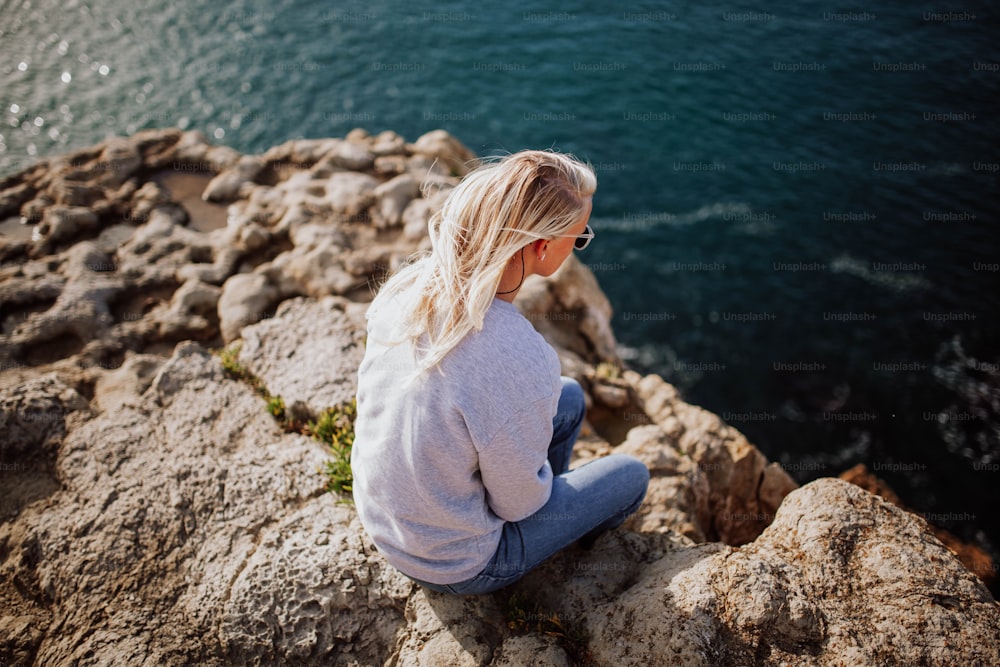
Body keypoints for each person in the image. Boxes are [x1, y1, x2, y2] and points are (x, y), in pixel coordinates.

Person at [351, 149, 649, 595]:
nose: (582, 241)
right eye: (580, 237)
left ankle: (538, 503)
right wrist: (528, 485)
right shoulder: (517, 355)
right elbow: (517, 505)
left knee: (568, 397)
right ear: (541, 247)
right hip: (457, 563)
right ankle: (547, 557)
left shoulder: (405, 287)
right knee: (631, 474)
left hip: (385, 524)